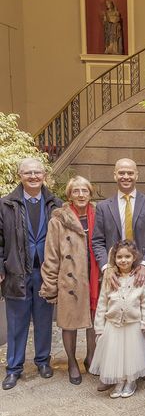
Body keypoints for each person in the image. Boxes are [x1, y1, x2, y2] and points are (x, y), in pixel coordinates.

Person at [1, 158, 62, 390]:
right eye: (28, 173)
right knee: (16, 322)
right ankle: (14, 368)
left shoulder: (55, 204)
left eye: (38, 172)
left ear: (44, 175)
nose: (34, 176)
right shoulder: (6, 204)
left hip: (46, 272)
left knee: (44, 319)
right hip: (16, 271)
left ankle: (43, 361)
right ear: (20, 176)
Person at [39, 176, 100, 385]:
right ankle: (72, 362)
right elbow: (52, 254)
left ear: (91, 193)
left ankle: (91, 357)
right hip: (70, 278)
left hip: (96, 275)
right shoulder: (58, 220)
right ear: (69, 195)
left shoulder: (99, 214)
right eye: (76, 191)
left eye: (85, 190)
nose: (81, 195)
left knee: (94, 321)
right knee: (70, 323)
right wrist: (49, 284)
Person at [90, 240, 145, 398]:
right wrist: (99, 327)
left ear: (134, 258)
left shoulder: (139, 278)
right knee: (116, 355)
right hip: (114, 325)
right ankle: (119, 380)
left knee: (131, 355)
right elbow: (102, 303)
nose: (123, 260)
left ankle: (131, 380)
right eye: (119, 257)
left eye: (127, 256)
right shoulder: (110, 278)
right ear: (114, 258)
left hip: (133, 325)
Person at [93, 158, 145, 286]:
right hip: (113, 274)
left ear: (137, 175)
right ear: (115, 176)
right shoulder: (103, 207)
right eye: (121, 173)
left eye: (130, 173)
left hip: (142, 273)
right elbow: (98, 241)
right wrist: (106, 268)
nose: (126, 177)